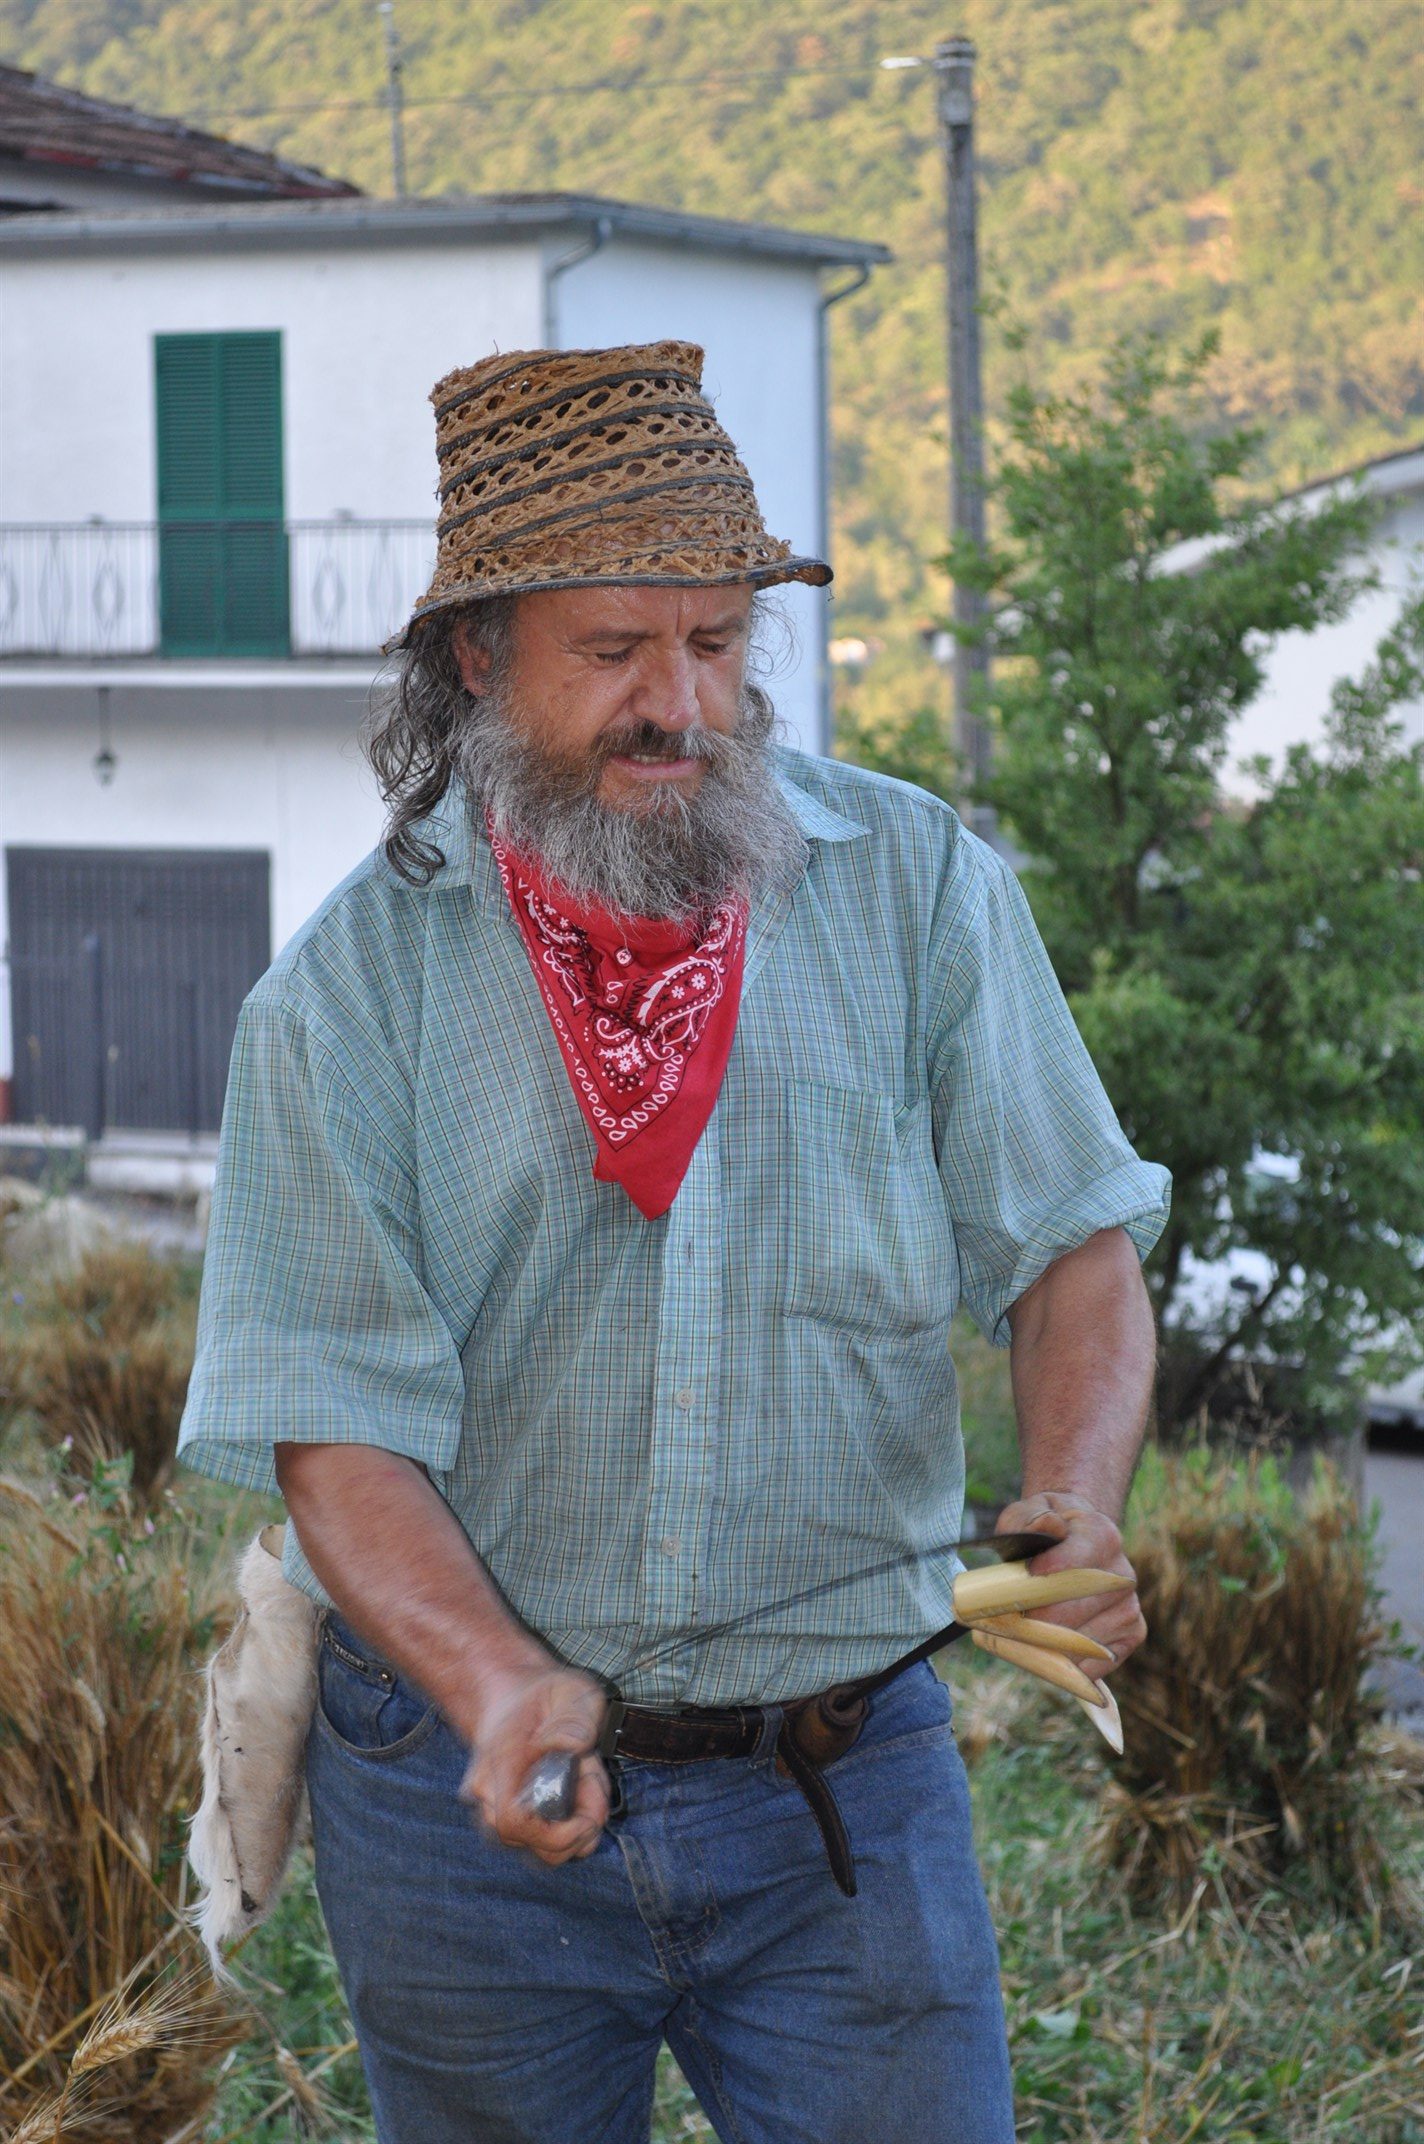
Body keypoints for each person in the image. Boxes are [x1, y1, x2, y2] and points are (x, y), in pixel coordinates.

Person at [178, 339, 1169, 2144]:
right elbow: (334, 1431)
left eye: (716, 641)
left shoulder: (916, 889)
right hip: (461, 1804)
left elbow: (1073, 1249)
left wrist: (1075, 1497)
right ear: (479, 658)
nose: (680, 705)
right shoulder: (346, 1000)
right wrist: (500, 1688)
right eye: (616, 649)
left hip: (843, 1776)